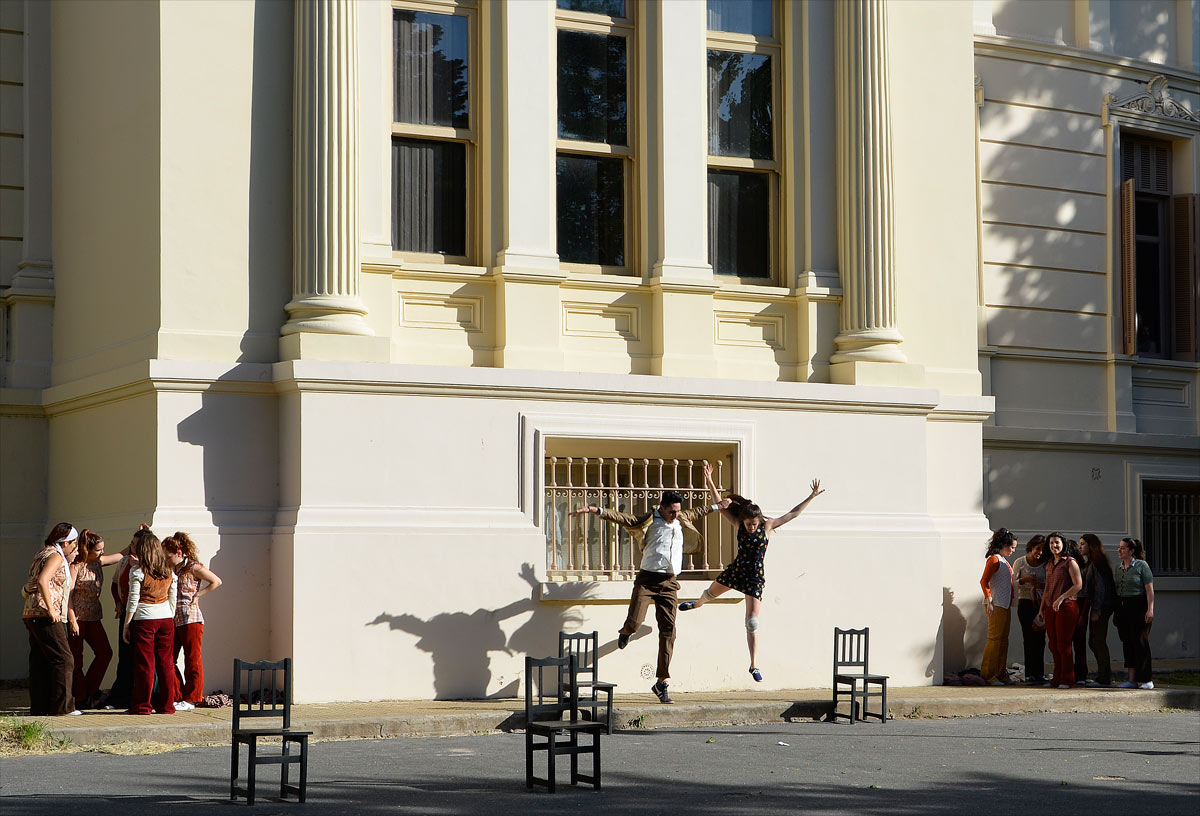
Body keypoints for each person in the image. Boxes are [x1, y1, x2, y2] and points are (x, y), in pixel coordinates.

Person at [570, 490, 724, 704]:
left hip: (670, 583)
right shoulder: (650, 519)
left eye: (678, 511)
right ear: (662, 507)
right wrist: (596, 510)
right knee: (634, 622)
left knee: (669, 632)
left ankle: (661, 683)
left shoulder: (682, 518)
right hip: (647, 580)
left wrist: (719, 505)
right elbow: (625, 519)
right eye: (672, 511)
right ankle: (626, 632)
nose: (675, 515)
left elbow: (700, 510)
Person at [678, 462, 824, 683]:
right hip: (737, 571)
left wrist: (811, 496)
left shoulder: (768, 526)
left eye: (754, 524)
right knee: (710, 593)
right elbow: (721, 505)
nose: (751, 527)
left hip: (755, 577)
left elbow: (792, 514)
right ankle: (696, 604)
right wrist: (709, 480)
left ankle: (753, 665)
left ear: (759, 520)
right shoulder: (738, 523)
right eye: (748, 524)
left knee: (752, 622)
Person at [22, 523, 81, 716]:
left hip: (32, 614)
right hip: (46, 615)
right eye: (74, 544)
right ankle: (63, 708)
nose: (75, 548)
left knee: (40, 662)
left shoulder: (41, 554)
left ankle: (39, 709)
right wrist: (51, 609)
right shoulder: (55, 556)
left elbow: (31, 583)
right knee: (64, 660)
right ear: (66, 543)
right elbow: (42, 581)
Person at [163, 532, 222, 709]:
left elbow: (216, 581)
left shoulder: (193, 567)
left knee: (192, 658)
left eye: (169, 556)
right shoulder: (173, 570)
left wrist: (198, 595)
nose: (167, 560)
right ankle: (179, 694)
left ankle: (193, 697)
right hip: (175, 618)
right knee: (168, 658)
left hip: (191, 618)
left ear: (179, 552)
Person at [123, 530, 178, 715]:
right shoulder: (168, 571)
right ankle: (167, 705)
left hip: (145, 619)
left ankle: (142, 706)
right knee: (166, 663)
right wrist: (169, 614)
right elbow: (173, 596)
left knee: (145, 664)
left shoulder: (137, 571)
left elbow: (133, 599)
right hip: (165, 619)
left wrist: (127, 624)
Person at [66, 530, 123, 708]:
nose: (102, 553)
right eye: (98, 549)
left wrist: (139, 536)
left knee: (105, 653)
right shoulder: (76, 567)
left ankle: (89, 691)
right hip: (78, 616)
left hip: (94, 616)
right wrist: (72, 619)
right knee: (76, 659)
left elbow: (121, 555)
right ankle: (80, 697)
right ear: (87, 549)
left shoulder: (98, 562)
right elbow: (68, 594)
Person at [104, 524, 149, 710]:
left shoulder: (150, 564)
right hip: (125, 612)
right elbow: (115, 584)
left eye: (136, 545)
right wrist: (117, 602)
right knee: (125, 656)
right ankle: (120, 696)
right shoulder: (124, 562)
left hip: (144, 614)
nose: (132, 547)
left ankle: (144, 696)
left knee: (143, 657)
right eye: (131, 544)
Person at [1041, 532, 1083, 689]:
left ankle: (1067, 679)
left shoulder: (1070, 562)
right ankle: (1056, 678)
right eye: (1051, 543)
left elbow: (1078, 585)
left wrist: (1061, 598)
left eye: (1057, 542)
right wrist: (1041, 608)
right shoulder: (1049, 563)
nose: (1054, 546)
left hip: (1066, 607)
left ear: (1063, 544)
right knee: (1053, 644)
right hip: (1050, 607)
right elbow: (1047, 587)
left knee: (1063, 644)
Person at [1114, 537, 1155, 690]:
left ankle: (1146, 678)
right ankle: (1131, 679)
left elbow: (1149, 589)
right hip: (1123, 607)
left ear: (1131, 551)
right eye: (1119, 547)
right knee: (1127, 642)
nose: (1119, 550)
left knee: (1140, 641)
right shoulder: (1118, 568)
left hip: (1138, 605)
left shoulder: (1141, 566)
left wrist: (1150, 609)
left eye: (1123, 548)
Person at [979, 528, 1018, 686]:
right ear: (1003, 544)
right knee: (994, 639)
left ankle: (1001, 672)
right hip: (996, 605)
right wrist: (989, 598)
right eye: (1012, 547)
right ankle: (988, 674)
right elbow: (984, 580)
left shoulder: (1004, 561)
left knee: (1003, 640)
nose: (1013, 550)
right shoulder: (994, 560)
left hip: (1005, 604)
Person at [1079, 534, 1116, 687]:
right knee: (1094, 641)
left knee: (1098, 641)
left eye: (1082, 544)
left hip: (1101, 607)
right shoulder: (1090, 563)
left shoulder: (1096, 563)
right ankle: (1105, 674)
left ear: (1091, 546)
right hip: (1098, 606)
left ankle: (1104, 678)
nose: (1080, 546)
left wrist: (1096, 610)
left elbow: (1100, 589)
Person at [1012, 535, 1047, 684]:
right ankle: (1029, 674)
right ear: (1031, 547)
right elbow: (1012, 583)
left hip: (1040, 604)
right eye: (1037, 549)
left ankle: (1039, 673)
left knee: (1040, 639)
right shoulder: (1020, 562)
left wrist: (1041, 585)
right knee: (1028, 638)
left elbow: (1051, 584)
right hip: (1025, 602)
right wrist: (1024, 580)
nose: (1039, 552)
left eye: (1042, 550)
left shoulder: (1046, 564)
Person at [1069, 539, 1090, 684]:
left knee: (1079, 641)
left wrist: (1083, 614)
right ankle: (1071, 673)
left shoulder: (1082, 568)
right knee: (1068, 641)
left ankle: (1081, 674)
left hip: (1080, 602)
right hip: (1069, 603)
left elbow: (1086, 593)